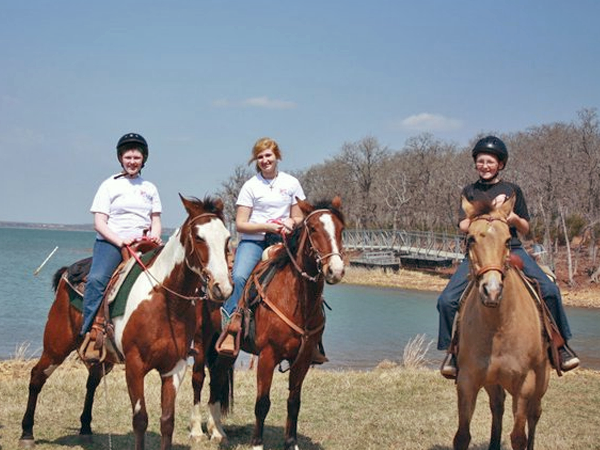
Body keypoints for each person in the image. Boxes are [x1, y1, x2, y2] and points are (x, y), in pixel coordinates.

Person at [437, 136, 579, 378]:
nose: (484, 165)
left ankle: (560, 345)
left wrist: (510, 216)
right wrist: (489, 211)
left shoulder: (513, 190)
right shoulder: (469, 191)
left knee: (550, 291)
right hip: (479, 251)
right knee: (447, 300)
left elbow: (525, 228)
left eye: (490, 161)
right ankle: (453, 351)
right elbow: (463, 225)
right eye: (480, 161)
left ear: (500, 164)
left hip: (511, 247)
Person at [219, 137, 327, 363]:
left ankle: (314, 338)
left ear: (277, 156)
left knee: (309, 274)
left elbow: (300, 215)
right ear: (255, 161)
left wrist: (291, 221)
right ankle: (231, 327)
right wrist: (267, 225)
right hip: (253, 240)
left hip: (284, 239)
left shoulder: (291, 183)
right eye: (260, 157)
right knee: (239, 277)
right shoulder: (251, 186)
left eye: (268, 155)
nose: (265, 160)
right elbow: (241, 223)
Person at [80, 132, 162, 360]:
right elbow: (99, 223)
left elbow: (155, 220)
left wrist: (154, 238)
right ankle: (90, 331)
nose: (132, 162)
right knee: (97, 279)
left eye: (137, 157)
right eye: (128, 157)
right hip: (112, 243)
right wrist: (120, 241)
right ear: (120, 158)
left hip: (143, 244)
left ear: (143, 159)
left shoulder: (150, 188)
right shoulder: (109, 185)